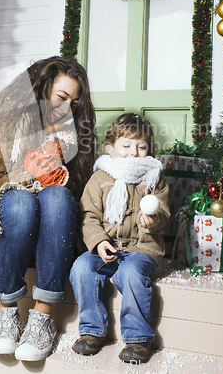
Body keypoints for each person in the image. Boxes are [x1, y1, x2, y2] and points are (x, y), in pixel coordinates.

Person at [0, 56, 96, 362]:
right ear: (42, 88)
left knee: (58, 198)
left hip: (52, 241)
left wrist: (59, 172)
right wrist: (30, 176)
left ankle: (42, 317)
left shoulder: (73, 136)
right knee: (20, 201)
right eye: (61, 97)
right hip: (4, 231)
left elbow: (81, 197)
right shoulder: (4, 123)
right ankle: (6, 312)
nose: (66, 108)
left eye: (74, 102)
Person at [70, 113, 170, 364]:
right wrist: (99, 241)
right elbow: (88, 215)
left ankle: (138, 338)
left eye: (141, 146)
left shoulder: (154, 178)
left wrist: (154, 219)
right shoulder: (100, 177)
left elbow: (165, 211)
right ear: (110, 148)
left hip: (142, 248)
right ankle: (92, 330)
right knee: (82, 267)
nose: (133, 152)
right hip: (108, 246)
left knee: (131, 274)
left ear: (149, 149)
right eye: (126, 146)